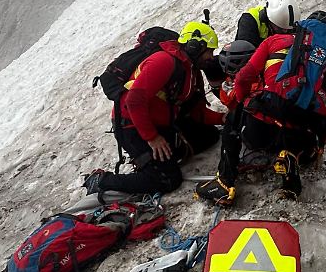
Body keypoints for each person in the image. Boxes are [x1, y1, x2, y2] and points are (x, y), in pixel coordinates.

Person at [195, 10, 326, 204]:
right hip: (306, 140)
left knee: (234, 117)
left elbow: (245, 76)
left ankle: (225, 182)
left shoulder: (274, 42)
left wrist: (243, 103)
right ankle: (293, 158)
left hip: (260, 132)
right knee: (320, 118)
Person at [84, 20, 225, 195]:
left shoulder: (190, 69)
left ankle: (160, 156)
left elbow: (194, 110)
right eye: (209, 51)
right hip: (132, 126)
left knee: (209, 136)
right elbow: (134, 101)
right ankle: (102, 180)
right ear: (195, 47)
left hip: (160, 122)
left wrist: (222, 119)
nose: (211, 57)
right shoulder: (164, 61)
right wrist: (152, 138)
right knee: (167, 180)